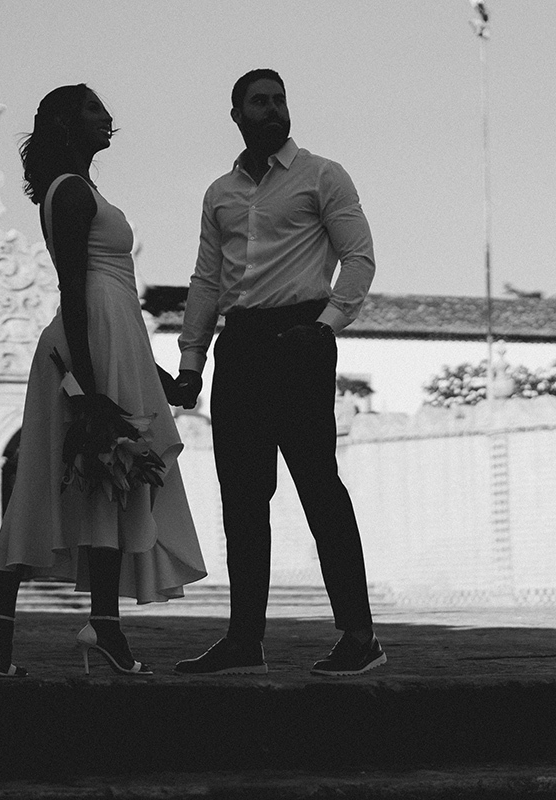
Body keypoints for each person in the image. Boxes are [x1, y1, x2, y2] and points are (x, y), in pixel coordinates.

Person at [0, 84, 207, 677]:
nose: (109, 117)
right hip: (87, 340)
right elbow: (73, 288)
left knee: (105, 480)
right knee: (86, 477)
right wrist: (92, 390)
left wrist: (155, 377)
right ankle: (71, 624)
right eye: (94, 109)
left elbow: (111, 296)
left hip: (108, 336)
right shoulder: (70, 194)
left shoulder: (82, 190)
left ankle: (57, 624)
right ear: (66, 126)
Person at [172, 69, 383, 677]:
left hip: (301, 340)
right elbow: (207, 282)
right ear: (236, 114)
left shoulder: (322, 175)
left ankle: (360, 636)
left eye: (279, 100)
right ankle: (244, 640)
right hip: (238, 348)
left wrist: (327, 326)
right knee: (242, 498)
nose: (272, 110)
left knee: (319, 487)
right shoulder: (220, 193)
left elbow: (358, 256)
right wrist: (190, 362)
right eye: (259, 102)